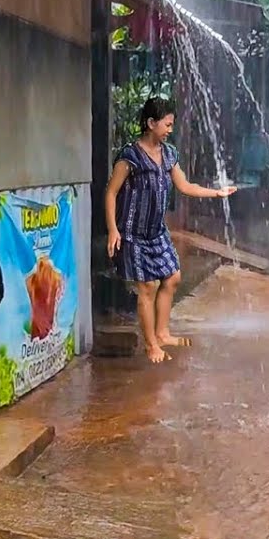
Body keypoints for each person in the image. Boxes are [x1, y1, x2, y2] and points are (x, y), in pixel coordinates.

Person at [105, 98, 237, 363]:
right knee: (147, 287)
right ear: (151, 123)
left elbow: (185, 186)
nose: (170, 130)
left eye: (171, 124)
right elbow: (111, 192)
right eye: (166, 124)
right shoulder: (130, 156)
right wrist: (113, 230)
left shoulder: (168, 154)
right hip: (132, 234)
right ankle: (151, 345)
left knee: (173, 277)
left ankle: (163, 333)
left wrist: (216, 193)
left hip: (157, 232)